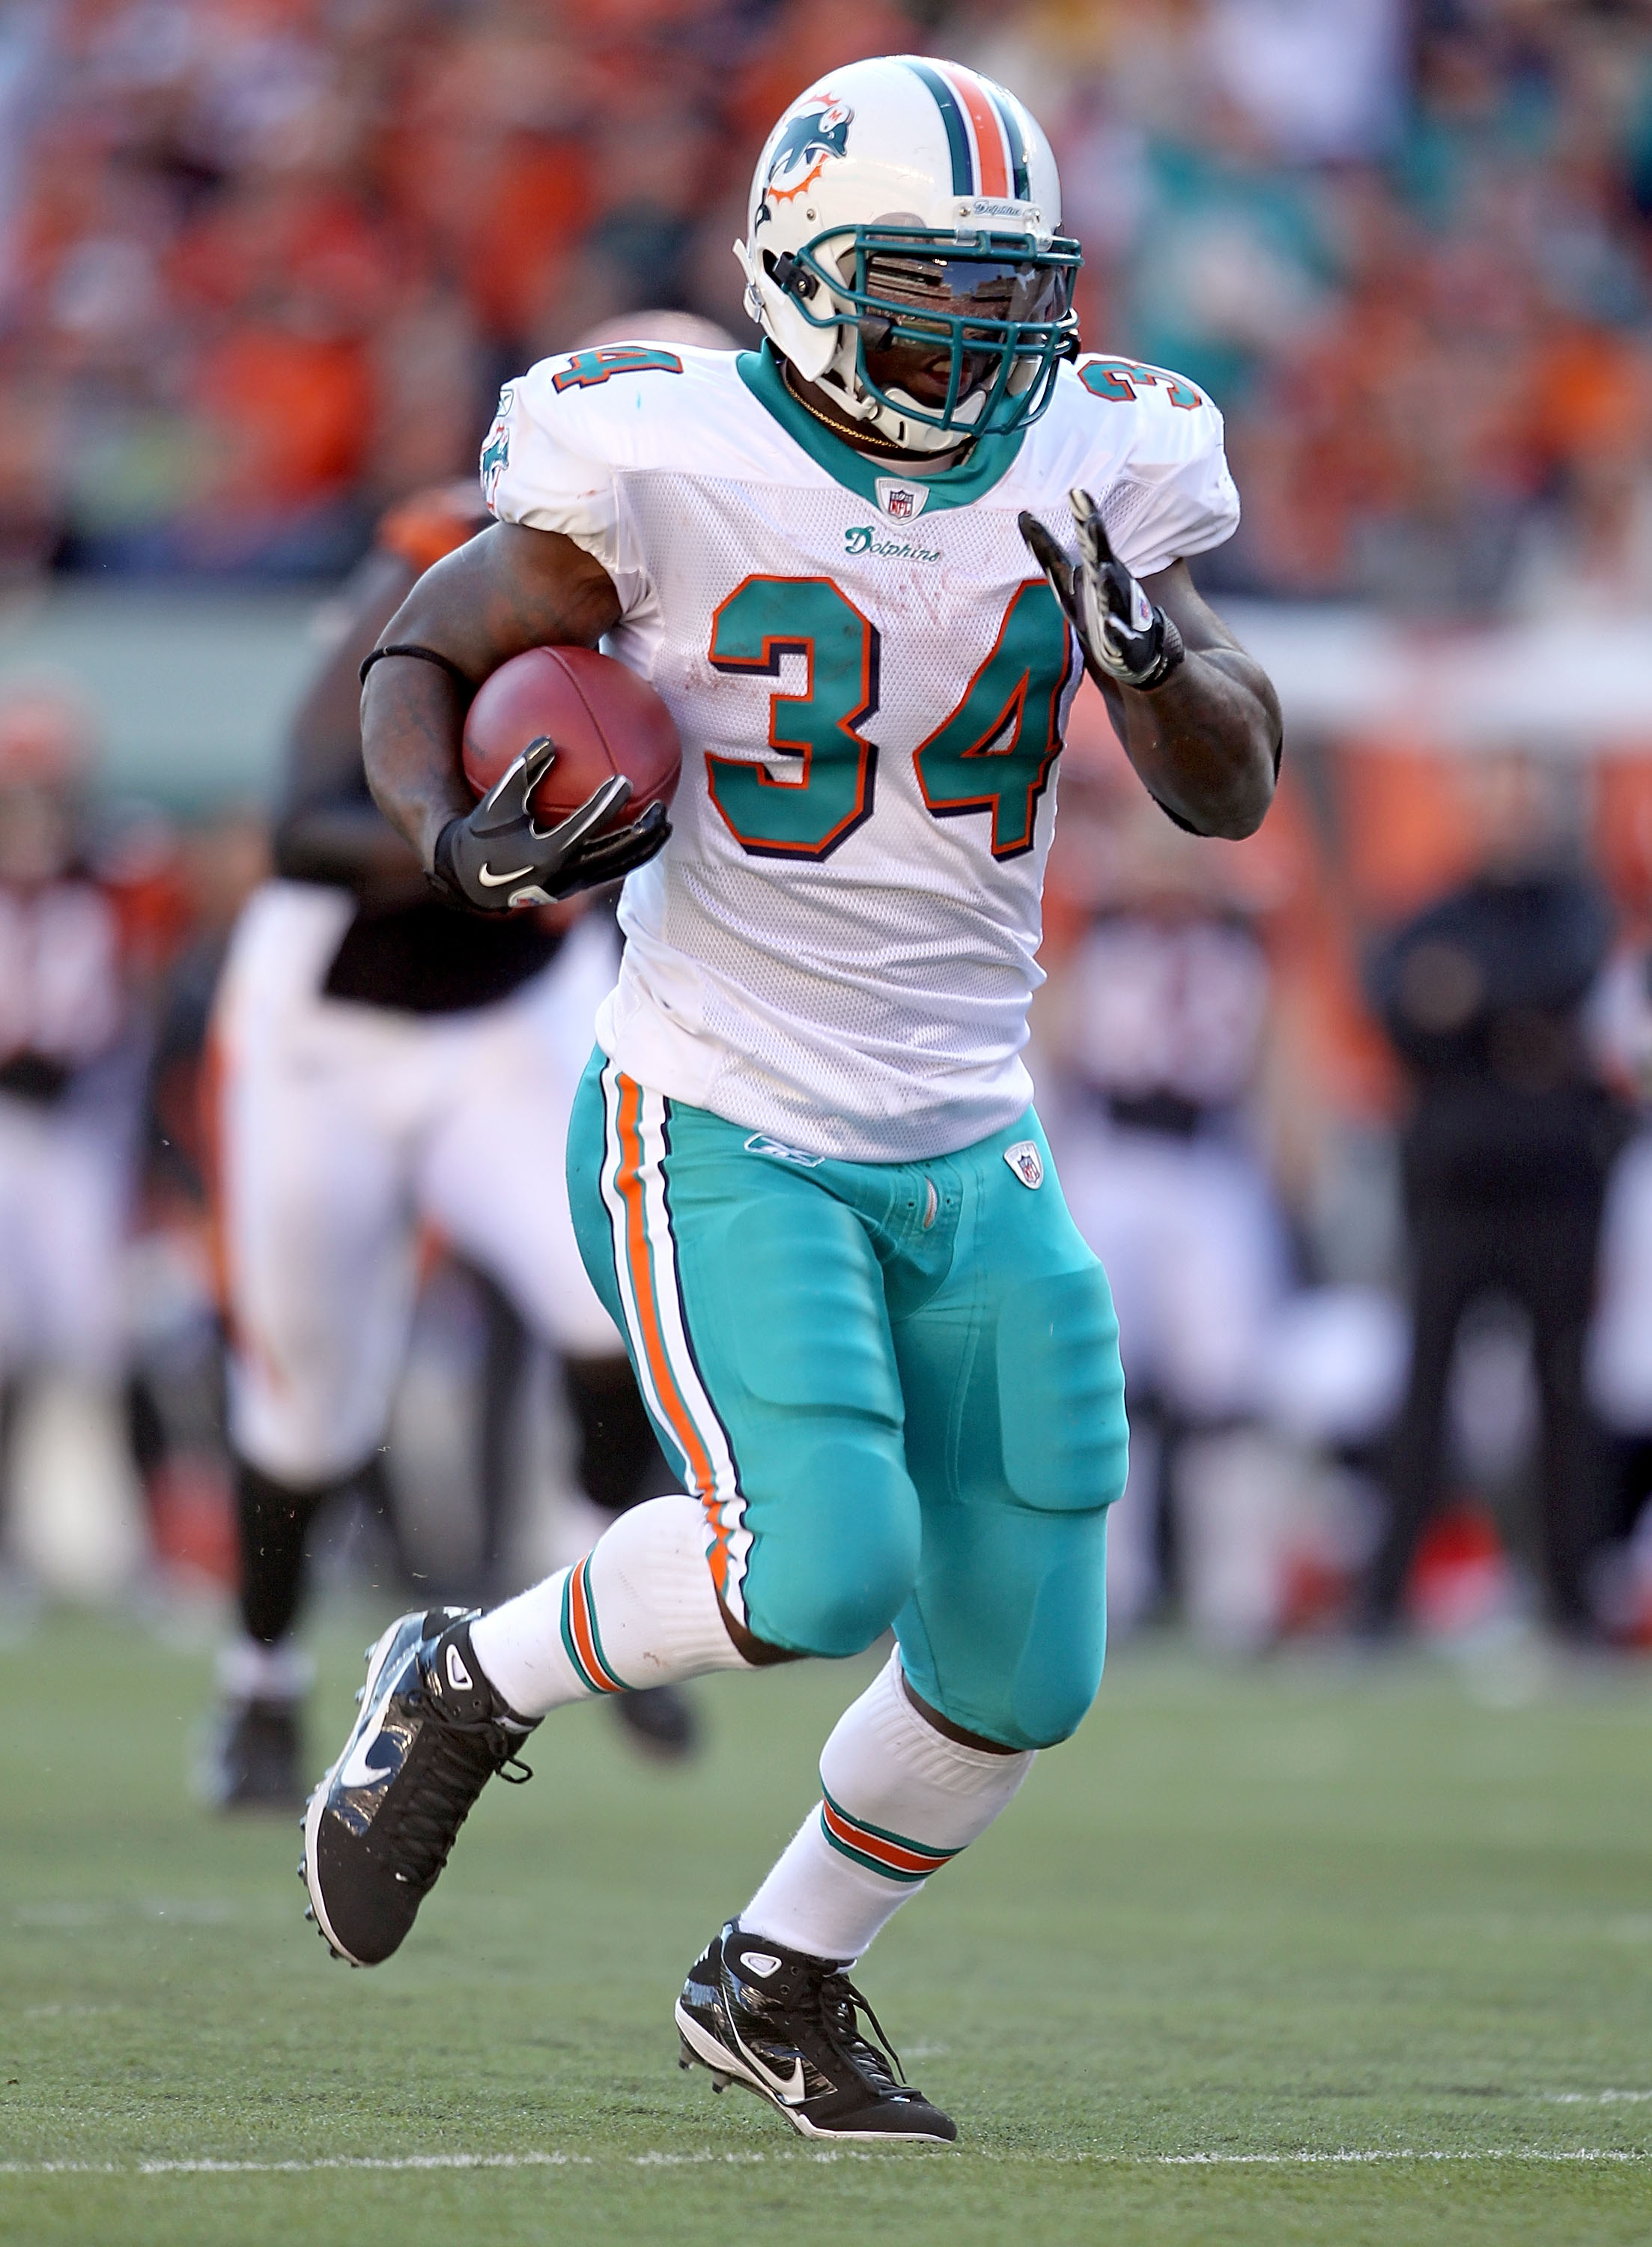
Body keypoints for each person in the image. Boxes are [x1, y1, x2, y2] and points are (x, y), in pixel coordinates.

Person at [302, 56, 1280, 2144]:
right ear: (804, 276)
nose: (989, 339)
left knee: (1022, 1667)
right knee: (809, 1566)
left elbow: (1230, 782)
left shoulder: (1100, 451)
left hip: (967, 1124)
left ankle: (779, 1976)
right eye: (934, 289)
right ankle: (464, 1679)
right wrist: (447, 835)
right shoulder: (661, 456)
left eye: (1014, 292)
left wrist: (1152, 665)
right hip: (721, 1102)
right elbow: (419, 649)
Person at [205, 472, 689, 1808]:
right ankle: (260, 1680)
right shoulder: (464, 555)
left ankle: (614, 1616)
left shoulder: (750, 570)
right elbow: (301, 822)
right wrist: (452, 846)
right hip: (333, 1022)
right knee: (305, 1407)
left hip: (506, 1020)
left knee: (616, 1308)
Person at [1361, 754, 1625, 1640]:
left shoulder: (1575, 909)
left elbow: (1559, 978)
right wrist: (1504, 1029)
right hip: (1452, 1189)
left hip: (1556, 1187)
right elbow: (1393, 999)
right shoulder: (1435, 910)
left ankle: (1572, 1604)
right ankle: (1383, 1602)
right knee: (1423, 1393)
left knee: (1564, 1396)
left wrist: (1468, 1001)